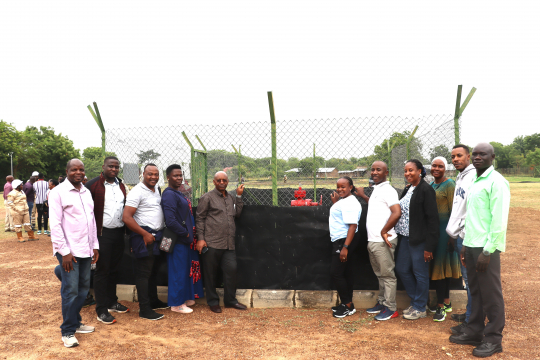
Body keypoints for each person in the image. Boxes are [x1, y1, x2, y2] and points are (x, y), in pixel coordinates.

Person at [449, 143, 510, 358]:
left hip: (486, 249)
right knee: (475, 291)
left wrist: (488, 250)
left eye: (482, 154)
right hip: (471, 244)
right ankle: (474, 330)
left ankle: (493, 339)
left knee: (491, 293)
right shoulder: (475, 180)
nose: (477, 157)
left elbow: (499, 220)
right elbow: (472, 217)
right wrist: (465, 244)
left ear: (492, 157)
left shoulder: (497, 182)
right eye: (474, 154)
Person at [49, 159, 99, 348]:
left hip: (86, 249)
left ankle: (76, 322)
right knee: (70, 291)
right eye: (74, 169)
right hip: (69, 251)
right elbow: (54, 223)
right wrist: (64, 252)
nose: (78, 172)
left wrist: (95, 245)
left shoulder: (86, 191)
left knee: (84, 288)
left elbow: (91, 221)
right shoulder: (57, 193)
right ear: (67, 171)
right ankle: (68, 331)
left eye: (81, 169)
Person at [86, 156, 129, 325]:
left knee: (114, 269)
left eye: (117, 166)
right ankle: (101, 309)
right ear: (103, 167)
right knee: (102, 271)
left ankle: (112, 302)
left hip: (118, 233)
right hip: (102, 234)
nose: (114, 169)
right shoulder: (93, 185)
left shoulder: (121, 185)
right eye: (110, 166)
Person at [356, 161, 402, 321]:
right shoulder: (378, 189)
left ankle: (391, 308)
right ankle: (382, 302)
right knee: (380, 274)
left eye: (378, 170)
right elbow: (377, 206)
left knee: (387, 275)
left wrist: (383, 231)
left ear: (386, 172)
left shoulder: (388, 190)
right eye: (373, 170)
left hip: (383, 241)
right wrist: (363, 196)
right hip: (373, 240)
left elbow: (396, 212)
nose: (374, 172)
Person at [394, 159, 439, 320]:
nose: (408, 174)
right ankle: (418, 301)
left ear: (420, 171)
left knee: (420, 273)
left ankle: (420, 308)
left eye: (411, 170)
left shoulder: (426, 190)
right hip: (406, 237)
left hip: (420, 240)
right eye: (405, 171)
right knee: (401, 269)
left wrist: (429, 247)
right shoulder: (408, 189)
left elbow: (433, 220)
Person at [122, 163, 168, 321]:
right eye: (150, 174)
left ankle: (153, 301)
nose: (153, 177)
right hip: (143, 237)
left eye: (156, 174)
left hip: (156, 236)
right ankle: (144, 309)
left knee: (153, 271)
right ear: (142, 174)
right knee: (143, 273)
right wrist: (144, 234)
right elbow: (126, 217)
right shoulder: (136, 192)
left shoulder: (156, 190)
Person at [196, 171, 246, 313]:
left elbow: (237, 214)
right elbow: (199, 218)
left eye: (224, 180)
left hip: (228, 244)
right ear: (214, 182)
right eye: (219, 180)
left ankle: (230, 301)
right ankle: (213, 301)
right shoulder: (207, 198)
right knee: (210, 274)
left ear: (227, 181)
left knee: (231, 270)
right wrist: (200, 238)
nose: (222, 182)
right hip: (211, 243)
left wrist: (239, 196)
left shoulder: (230, 198)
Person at [161, 164, 204, 314]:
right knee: (177, 271)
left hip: (184, 240)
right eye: (175, 176)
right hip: (177, 240)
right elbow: (170, 220)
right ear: (167, 177)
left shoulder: (177, 192)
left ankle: (185, 298)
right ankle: (176, 304)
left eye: (180, 175)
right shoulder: (169, 195)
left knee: (184, 270)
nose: (179, 178)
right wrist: (185, 233)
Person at [446, 144, 475, 333]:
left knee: (470, 280)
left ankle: (471, 321)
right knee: (467, 280)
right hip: (457, 235)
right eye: (453, 156)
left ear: (468, 156)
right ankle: (469, 314)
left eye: (459, 156)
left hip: (465, 237)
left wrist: (462, 235)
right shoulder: (461, 175)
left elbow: (471, 210)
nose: (455, 159)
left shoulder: (472, 176)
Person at [428, 157, 460, 322]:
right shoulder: (432, 185)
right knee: (442, 267)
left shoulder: (450, 185)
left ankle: (440, 306)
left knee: (440, 267)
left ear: (445, 169)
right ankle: (446, 301)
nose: (436, 168)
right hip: (434, 231)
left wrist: (451, 235)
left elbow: (455, 210)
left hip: (445, 231)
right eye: (434, 165)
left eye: (440, 166)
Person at [328, 176, 362, 318]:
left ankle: (347, 305)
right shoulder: (345, 201)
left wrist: (345, 247)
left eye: (343, 187)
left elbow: (353, 225)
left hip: (344, 240)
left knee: (336, 273)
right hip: (342, 239)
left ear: (351, 187)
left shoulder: (350, 203)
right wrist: (336, 203)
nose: (340, 189)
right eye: (338, 186)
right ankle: (348, 304)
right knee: (346, 272)